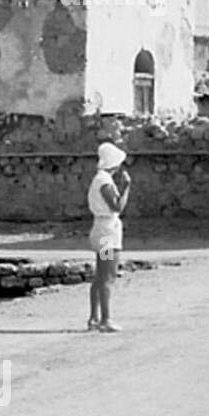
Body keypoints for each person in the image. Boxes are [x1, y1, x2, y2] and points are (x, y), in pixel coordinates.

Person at [87, 142, 131, 332]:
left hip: (103, 229)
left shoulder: (100, 178)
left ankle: (94, 317)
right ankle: (105, 319)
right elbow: (117, 206)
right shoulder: (104, 181)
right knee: (107, 276)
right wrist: (127, 187)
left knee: (100, 276)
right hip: (107, 234)